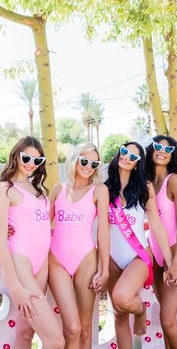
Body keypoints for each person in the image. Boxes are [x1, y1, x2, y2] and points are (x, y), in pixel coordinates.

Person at [105, 141, 177, 349]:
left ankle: (140, 310)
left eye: (134, 157)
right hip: (112, 257)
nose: (127, 157)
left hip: (138, 256)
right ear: (119, 154)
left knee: (122, 297)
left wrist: (170, 261)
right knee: (118, 314)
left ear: (138, 164)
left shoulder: (144, 188)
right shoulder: (104, 188)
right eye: (125, 152)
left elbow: (156, 225)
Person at [0, 136, 64, 349]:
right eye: (26, 157)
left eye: (37, 161)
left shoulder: (39, 191)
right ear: (16, 155)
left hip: (42, 264)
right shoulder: (5, 189)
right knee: (55, 341)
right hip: (21, 264)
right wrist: (16, 288)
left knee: (25, 333)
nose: (31, 164)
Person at [49, 142, 110, 349]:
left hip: (86, 260)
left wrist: (104, 269)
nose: (88, 166)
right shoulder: (58, 189)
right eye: (85, 161)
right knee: (71, 328)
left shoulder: (99, 190)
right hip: (56, 261)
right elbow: (41, 224)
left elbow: (103, 231)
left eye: (94, 163)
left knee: (85, 329)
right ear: (75, 159)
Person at [145, 135, 177, 349]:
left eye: (167, 149)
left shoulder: (175, 181)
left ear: (173, 154)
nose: (161, 151)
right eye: (157, 147)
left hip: (175, 252)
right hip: (156, 252)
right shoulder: (146, 182)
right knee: (164, 318)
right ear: (150, 150)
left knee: (169, 321)